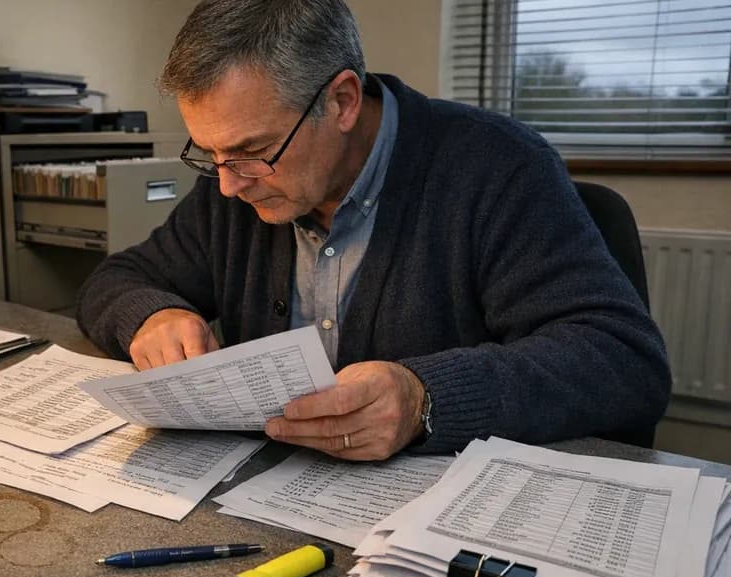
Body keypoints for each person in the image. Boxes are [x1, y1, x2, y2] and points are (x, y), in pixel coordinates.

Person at [76, 0, 670, 460]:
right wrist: (150, 316)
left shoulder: (498, 168)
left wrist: (424, 398)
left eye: (252, 150)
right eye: (209, 153)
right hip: (277, 502)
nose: (228, 184)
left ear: (342, 101)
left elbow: (622, 360)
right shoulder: (236, 183)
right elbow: (118, 279)